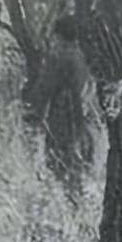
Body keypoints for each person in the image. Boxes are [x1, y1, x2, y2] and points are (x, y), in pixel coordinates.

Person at [24, 15, 99, 204]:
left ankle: (71, 216)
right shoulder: (81, 55)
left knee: (60, 169)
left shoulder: (58, 56)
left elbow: (45, 87)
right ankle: (77, 214)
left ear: (58, 34)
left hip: (63, 119)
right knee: (76, 173)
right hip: (84, 119)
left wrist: (33, 112)